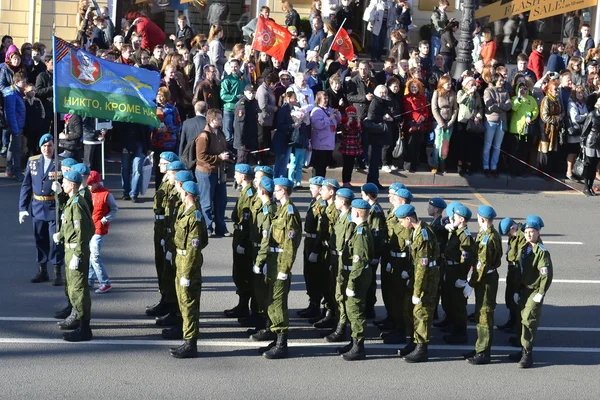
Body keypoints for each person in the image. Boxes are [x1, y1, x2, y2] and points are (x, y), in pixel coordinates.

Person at [256, 177, 302, 359]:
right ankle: (276, 338)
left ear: (283, 191)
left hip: (281, 262)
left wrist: (284, 269)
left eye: (276, 190)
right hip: (274, 261)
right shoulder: (281, 210)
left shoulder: (289, 212)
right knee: (271, 301)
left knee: (278, 303)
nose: (273, 193)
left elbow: (290, 244)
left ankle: (282, 343)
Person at [52, 170, 94, 342]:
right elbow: (68, 226)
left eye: (65, 182)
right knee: (72, 287)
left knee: (78, 290)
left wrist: (77, 253)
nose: (62, 184)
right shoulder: (71, 201)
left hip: (76, 251)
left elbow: (83, 231)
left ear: (73, 184)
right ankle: (80, 323)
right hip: (70, 249)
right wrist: (61, 235)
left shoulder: (77, 204)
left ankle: (85, 328)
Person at [395, 203, 440, 363]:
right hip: (418, 275)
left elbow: (422, 266)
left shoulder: (423, 235)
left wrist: (417, 292)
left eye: (401, 221)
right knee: (409, 309)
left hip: (427, 278)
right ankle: (413, 342)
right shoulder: (416, 231)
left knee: (421, 312)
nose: (401, 224)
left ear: (408, 219)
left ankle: (422, 348)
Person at [169, 180, 208, 358]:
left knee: (189, 303)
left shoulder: (194, 216)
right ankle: (186, 339)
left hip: (188, 264)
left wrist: (187, 272)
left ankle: (191, 343)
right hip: (181, 259)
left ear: (186, 194)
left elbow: (196, 246)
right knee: (183, 302)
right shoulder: (186, 212)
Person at [19, 134, 65, 285]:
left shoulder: (60, 162)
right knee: (40, 239)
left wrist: (61, 191)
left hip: (54, 207)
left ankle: (57, 271)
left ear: (54, 146)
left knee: (56, 240)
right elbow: (26, 186)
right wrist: (22, 208)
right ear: (40, 147)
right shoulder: (33, 162)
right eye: (44, 146)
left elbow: (68, 187)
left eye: (50, 145)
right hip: (38, 207)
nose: (47, 148)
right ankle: (42, 270)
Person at [333, 199, 374, 361]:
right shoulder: (358, 230)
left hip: (357, 278)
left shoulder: (361, 234)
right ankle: (353, 342)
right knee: (351, 309)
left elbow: (360, 261)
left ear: (356, 213)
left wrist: (352, 283)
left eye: (351, 212)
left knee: (355, 310)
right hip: (352, 275)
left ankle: (359, 347)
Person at [509, 217, 552, 368]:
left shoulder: (541, 252)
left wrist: (541, 292)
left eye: (532, 232)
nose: (528, 235)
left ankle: (528, 354)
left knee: (529, 321)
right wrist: (516, 290)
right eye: (526, 232)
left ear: (538, 233)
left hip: (534, 291)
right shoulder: (524, 248)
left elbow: (545, 274)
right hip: (523, 289)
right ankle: (522, 350)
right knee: (521, 319)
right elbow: (519, 271)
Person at [464, 205, 501, 365]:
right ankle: (480, 346)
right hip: (485, 278)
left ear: (483, 219)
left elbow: (482, 264)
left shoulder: (488, 238)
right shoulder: (486, 233)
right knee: (480, 313)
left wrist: (471, 283)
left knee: (485, 315)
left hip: (486, 279)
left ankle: (484, 352)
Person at [146, 151, 179, 317]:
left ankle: (171, 302)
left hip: (166, 228)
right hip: (159, 226)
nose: (159, 165)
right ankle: (164, 298)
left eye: (162, 163)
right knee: (160, 264)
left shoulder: (174, 184)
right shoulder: (165, 181)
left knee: (168, 268)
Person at [224, 164, 255, 320]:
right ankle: (241, 304)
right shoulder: (244, 191)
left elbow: (248, 220)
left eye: (236, 174)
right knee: (238, 272)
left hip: (243, 236)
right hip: (238, 234)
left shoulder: (249, 193)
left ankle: (245, 306)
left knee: (244, 272)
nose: (234, 176)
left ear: (243, 176)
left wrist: (243, 242)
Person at [323, 187, 355, 335]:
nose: (334, 201)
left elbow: (348, 246)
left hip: (342, 261)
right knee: (335, 292)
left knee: (341, 294)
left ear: (343, 201)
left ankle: (342, 327)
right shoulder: (342, 216)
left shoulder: (348, 220)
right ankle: (337, 321)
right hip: (335, 259)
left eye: (337, 199)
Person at [195, 108, 230, 237]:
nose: (221, 121)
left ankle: (221, 228)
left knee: (221, 201)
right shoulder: (204, 136)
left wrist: (229, 155)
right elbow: (200, 157)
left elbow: (223, 148)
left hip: (219, 171)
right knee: (207, 202)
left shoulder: (220, 133)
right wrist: (219, 158)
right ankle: (207, 228)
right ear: (211, 120)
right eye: (219, 119)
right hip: (206, 172)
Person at [442, 205, 474, 344]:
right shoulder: (455, 231)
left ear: (461, 219)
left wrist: (462, 278)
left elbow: (466, 259)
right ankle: (454, 328)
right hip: (449, 269)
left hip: (456, 271)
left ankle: (460, 334)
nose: (451, 218)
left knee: (458, 303)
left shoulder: (464, 236)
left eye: (454, 217)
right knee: (450, 300)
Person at [298, 176, 326, 319]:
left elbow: (321, 230)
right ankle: (312, 304)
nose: (310, 189)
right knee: (308, 274)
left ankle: (316, 307)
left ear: (320, 189)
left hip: (315, 242)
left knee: (315, 276)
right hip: (309, 240)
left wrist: (316, 250)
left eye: (313, 187)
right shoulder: (315, 202)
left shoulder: (322, 205)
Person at [86, 170, 118, 294]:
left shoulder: (106, 194)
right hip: (88, 228)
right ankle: (89, 279)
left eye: (91, 184)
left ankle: (104, 282)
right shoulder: (86, 192)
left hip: (98, 229)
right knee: (89, 254)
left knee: (94, 255)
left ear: (97, 183)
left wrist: (104, 220)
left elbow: (114, 209)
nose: (89, 186)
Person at [497, 218, 527, 334]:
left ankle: (517, 326)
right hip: (512, 269)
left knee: (516, 299)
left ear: (512, 228)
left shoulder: (522, 237)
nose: (508, 236)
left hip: (518, 270)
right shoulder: (514, 236)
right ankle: (511, 321)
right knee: (509, 297)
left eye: (508, 234)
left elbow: (521, 258)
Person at [361, 183, 386, 320]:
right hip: (369, 249)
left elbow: (377, 233)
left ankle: (369, 307)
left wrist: (376, 254)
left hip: (372, 251)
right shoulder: (371, 208)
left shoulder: (374, 210)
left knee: (369, 281)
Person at [507, 80, 538, 177]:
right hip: (516, 129)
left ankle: (521, 170)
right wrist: (520, 98)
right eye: (521, 89)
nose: (523, 90)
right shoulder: (514, 98)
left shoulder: (531, 99)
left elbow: (535, 110)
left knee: (524, 151)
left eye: (525, 89)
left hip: (527, 129)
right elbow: (514, 107)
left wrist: (531, 115)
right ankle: (513, 170)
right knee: (515, 150)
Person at [483, 73, 512, 177]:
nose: (502, 82)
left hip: (501, 122)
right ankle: (486, 166)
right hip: (491, 121)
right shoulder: (488, 91)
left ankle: (493, 166)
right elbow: (489, 106)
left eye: (502, 80)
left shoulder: (505, 92)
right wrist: (502, 106)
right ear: (495, 80)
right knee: (487, 145)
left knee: (497, 146)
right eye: (500, 80)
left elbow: (509, 106)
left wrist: (498, 104)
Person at [116, 122, 151, 202]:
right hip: (125, 145)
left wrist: (148, 147)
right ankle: (126, 192)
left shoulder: (141, 114)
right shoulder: (123, 115)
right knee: (125, 169)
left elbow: (146, 131)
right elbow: (117, 128)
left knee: (137, 170)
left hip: (139, 144)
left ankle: (134, 194)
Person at [455, 76, 483, 175]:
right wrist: (469, 92)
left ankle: (469, 164)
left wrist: (478, 117)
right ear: (466, 85)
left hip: (473, 121)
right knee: (462, 144)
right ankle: (460, 164)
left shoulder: (477, 95)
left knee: (471, 144)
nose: (473, 86)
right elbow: (459, 101)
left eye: (474, 84)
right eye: (471, 84)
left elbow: (480, 107)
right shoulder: (461, 92)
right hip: (463, 120)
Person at [431, 75, 457, 175]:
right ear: (442, 84)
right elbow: (434, 109)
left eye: (450, 83)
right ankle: (435, 165)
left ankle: (443, 164)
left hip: (449, 122)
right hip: (439, 123)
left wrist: (451, 122)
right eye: (448, 84)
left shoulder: (453, 94)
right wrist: (440, 123)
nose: (449, 85)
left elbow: (455, 109)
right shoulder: (436, 93)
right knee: (437, 144)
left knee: (445, 145)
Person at [311, 91, 342, 177]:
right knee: (318, 167)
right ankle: (315, 185)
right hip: (320, 144)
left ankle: (321, 185)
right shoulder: (316, 111)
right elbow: (318, 125)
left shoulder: (329, 109)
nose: (326, 100)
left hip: (328, 143)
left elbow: (338, 122)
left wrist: (337, 114)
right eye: (324, 98)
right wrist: (329, 118)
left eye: (327, 98)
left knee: (323, 167)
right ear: (319, 99)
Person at [3, 70, 26, 180]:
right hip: (15, 125)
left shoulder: (16, 92)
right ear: (16, 82)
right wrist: (15, 128)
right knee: (16, 149)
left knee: (12, 148)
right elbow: (10, 112)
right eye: (23, 81)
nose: (25, 84)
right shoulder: (12, 93)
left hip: (17, 124)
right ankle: (17, 171)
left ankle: (9, 169)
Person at [402, 78, 428, 172]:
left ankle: (415, 163)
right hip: (410, 124)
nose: (414, 88)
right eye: (412, 87)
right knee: (409, 145)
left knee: (417, 145)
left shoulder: (423, 97)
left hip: (420, 124)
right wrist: (418, 117)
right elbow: (408, 111)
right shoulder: (406, 98)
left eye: (415, 87)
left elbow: (426, 110)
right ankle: (408, 165)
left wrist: (424, 117)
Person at [539, 80, 564, 174]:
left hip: (556, 130)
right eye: (555, 89)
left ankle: (551, 171)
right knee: (545, 150)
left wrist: (560, 117)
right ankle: (543, 172)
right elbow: (544, 116)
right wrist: (555, 119)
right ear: (549, 90)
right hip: (547, 129)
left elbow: (563, 112)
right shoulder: (546, 100)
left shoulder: (559, 99)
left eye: (558, 89)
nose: (557, 91)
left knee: (554, 150)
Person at [566, 86, 588, 181]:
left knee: (577, 152)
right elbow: (575, 117)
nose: (581, 95)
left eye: (582, 93)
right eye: (578, 93)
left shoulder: (583, 103)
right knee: (572, 152)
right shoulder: (572, 103)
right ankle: (569, 172)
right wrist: (585, 116)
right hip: (574, 131)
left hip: (581, 131)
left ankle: (575, 172)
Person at [274, 90, 298, 178]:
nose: (296, 100)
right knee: (279, 161)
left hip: (288, 139)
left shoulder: (292, 109)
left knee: (285, 161)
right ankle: (276, 179)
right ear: (288, 99)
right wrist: (291, 126)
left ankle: (281, 179)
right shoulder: (283, 110)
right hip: (281, 139)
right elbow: (279, 125)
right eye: (294, 98)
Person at [233, 85, 259, 164]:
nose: (251, 95)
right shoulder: (242, 104)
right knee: (242, 160)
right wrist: (241, 141)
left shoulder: (253, 102)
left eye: (253, 93)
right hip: (243, 139)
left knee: (247, 160)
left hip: (250, 137)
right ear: (245, 93)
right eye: (249, 93)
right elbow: (239, 124)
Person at [256, 73, 278, 164]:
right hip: (262, 119)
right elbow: (262, 106)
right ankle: (260, 157)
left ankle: (266, 154)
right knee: (261, 139)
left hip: (268, 119)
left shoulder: (268, 89)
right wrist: (274, 108)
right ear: (271, 83)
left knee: (266, 138)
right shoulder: (262, 91)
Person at [339, 106, 363, 187]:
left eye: (353, 114)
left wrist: (359, 122)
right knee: (346, 164)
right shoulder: (344, 120)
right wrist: (348, 122)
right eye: (350, 114)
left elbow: (359, 131)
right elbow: (344, 130)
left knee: (351, 164)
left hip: (354, 146)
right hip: (347, 146)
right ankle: (345, 181)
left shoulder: (356, 121)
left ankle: (348, 181)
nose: (352, 116)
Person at [179, 101, 207, 169]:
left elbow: (182, 142)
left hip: (189, 157)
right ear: (207, 110)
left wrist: (181, 158)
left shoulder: (186, 123)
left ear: (195, 110)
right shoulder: (208, 124)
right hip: (204, 158)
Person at [580, 98, 600, 196]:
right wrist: (582, 143)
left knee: (594, 166)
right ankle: (586, 187)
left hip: (599, 144)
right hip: (591, 142)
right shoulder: (592, 114)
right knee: (589, 165)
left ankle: (590, 186)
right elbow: (585, 130)